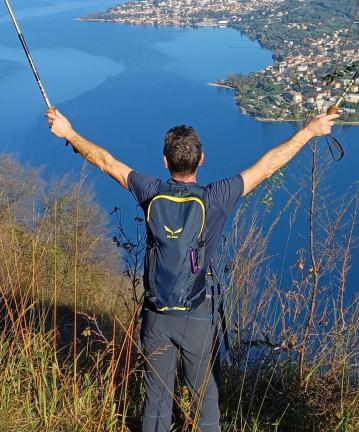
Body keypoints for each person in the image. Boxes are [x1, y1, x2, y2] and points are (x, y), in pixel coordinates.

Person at [46, 107, 338, 432]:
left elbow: (106, 162)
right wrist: (309, 132)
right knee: (204, 401)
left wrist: (69, 133)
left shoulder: (150, 191)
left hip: (156, 315)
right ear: (201, 160)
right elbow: (267, 167)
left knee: (156, 400)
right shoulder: (216, 198)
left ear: (165, 161)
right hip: (196, 317)